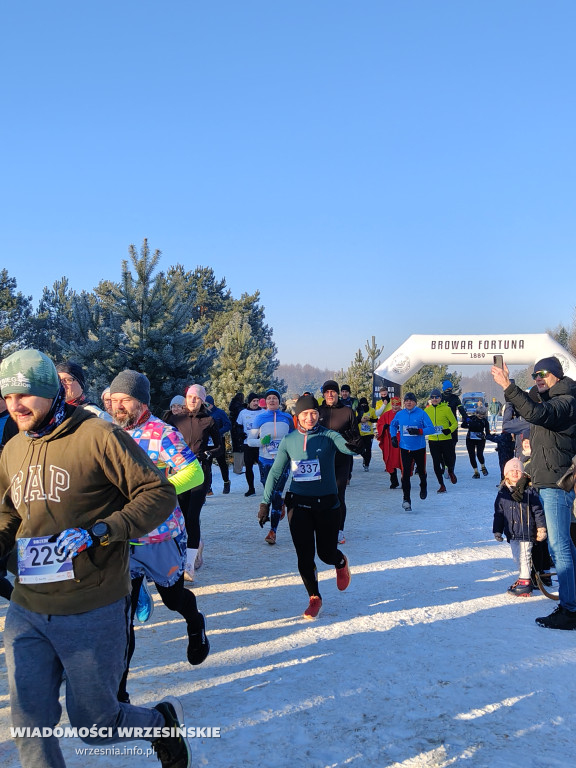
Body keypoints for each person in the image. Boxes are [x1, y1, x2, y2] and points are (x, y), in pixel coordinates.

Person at [0, 349, 192, 767]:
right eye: (8, 397)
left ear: (51, 391)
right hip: (28, 607)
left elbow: (158, 493)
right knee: (28, 724)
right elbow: (9, 515)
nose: (15, 405)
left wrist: (103, 531)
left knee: (96, 726)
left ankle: (160, 723)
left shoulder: (97, 435)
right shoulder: (12, 449)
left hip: (91, 605)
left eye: (25, 395)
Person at [108, 370, 209, 705]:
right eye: (114, 400)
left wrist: (154, 495)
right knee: (121, 621)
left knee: (174, 599)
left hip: (160, 536)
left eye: (126, 400)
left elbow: (193, 473)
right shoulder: (107, 434)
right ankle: (120, 693)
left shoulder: (162, 433)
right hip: (124, 538)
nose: (119, 407)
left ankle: (196, 625)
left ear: (142, 402)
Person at [492, 356, 576, 630]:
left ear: (557, 375)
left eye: (543, 374)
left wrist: (507, 386)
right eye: (535, 375)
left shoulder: (565, 401)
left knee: (559, 546)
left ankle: (570, 609)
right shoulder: (551, 399)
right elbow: (533, 408)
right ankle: (572, 601)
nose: (538, 378)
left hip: (557, 482)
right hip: (547, 478)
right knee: (564, 546)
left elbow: (536, 414)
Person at [259, 395, 353, 618]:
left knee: (326, 553)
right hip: (299, 503)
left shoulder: (328, 435)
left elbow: (345, 447)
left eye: (313, 413)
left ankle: (340, 562)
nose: (310, 417)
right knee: (304, 555)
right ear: (297, 417)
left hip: (327, 504)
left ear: (318, 414)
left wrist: (353, 446)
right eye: (305, 414)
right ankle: (314, 597)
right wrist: (265, 502)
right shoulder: (289, 440)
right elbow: (276, 471)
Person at [169, 384, 223, 580]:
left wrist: (207, 454)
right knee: (181, 517)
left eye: (197, 398)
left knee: (192, 516)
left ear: (202, 401)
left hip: (200, 472)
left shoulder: (209, 420)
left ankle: (189, 565)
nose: (193, 400)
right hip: (180, 472)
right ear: (185, 399)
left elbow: (220, 447)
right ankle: (186, 554)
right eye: (190, 397)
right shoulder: (174, 419)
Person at [493, 458, 547, 597]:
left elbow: (538, 511)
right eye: (512, 470)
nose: (515, 473)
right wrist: (497, 530)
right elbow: (499, 514)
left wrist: (541, 528)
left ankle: (525, 582)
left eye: (518, 471)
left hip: (526, 531)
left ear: (523, 474)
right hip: (512, 532)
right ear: (506, 474)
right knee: (517, 557)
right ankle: (523, 578)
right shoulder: (502, 493)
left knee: (525, 556)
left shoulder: (529, 491)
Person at [317, 380, 361, 544]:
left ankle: (339, 530)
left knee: (338, 495)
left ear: (338, 393)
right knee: (320, 496)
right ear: (323, 394)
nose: (330, 394)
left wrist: (354, 442)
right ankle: (323, 527)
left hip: (341, 460)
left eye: (333, 391)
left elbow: (357, 439)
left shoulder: (347, 412)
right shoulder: (318, 412)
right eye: (327, 392)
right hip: (321, 461)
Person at [248, 388, 294, 544]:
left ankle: (272, 531)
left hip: (283, 461)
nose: (272, 401)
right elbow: (250, 441)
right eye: (269, 399)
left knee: (275, 494)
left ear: (279, 401)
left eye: (275, 398)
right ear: (265, 402)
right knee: (270, 490)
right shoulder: (259, 418)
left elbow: (294, 438)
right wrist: (261, 441)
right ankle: (280, 504)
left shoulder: (287, 418)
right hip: (265, 461)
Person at [390, 392, 436, 511]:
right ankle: (406, 499)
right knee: (405, 474)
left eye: (411, 400)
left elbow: (431, 429)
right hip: (405, 448)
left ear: (415, 402)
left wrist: (419, 432)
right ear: (404, 403)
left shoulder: (421, 413)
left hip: (419, 448)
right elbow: (393, 425)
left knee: (421, 471)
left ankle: (423, 485)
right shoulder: (400, 414)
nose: (408, 402)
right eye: (406, 401)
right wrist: (393, 436)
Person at [424, 388, 457, 493]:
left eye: (436, 397)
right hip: (433, 440)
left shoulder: (446, 409)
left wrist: (449, 430)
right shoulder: (427, 410)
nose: (434, 399)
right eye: (432, 397)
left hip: (446, 439)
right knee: (436, 463)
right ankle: (442, 485)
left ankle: (450, 471)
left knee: (449, 460)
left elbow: (455, 423)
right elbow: (422, 424)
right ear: (430, 399)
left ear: (440, 398)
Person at [205, 394, 232, 494]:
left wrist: (218, 432)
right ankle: (208, 488)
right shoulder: (203, 413)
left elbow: (228, 425)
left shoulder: (220, 413)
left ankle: (226, 482)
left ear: (212, 404)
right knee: (207, 465)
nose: (205, 407)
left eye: (207, 404)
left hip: (218, 441)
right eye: (204, 404)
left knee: (222, 463)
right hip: (207, 442)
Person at [237, 392, 262, 497]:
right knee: (248, 466)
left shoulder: (263, 412)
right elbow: (237, 426)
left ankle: (267, 486)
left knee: (264, 466)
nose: (256, 403)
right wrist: (240, 434)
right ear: (249, 402)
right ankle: (251, 488)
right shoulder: (243, 413)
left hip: (261, 443)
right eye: (253, 401)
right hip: (248, 443)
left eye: (257, 401)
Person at [376, 396, 402, 489]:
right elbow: (380, 424)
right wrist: (384, 427)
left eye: (397, 405)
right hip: (389, 442)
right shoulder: (386, 415)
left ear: (400, 405)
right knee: (389, 460)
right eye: (393, 405)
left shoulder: (404, 414)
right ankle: (394, 480)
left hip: (402, 442)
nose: (395, 407)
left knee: (403, 460)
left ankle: (404, 480)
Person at [461, 404, 492, 478]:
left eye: (483, 415)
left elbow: (487, 432)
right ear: (476, 413)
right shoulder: (472, 418)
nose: (481, 416)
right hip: (470, 439)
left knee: (479, 454)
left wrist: (492, 437)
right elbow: (463, 425)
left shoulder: (485, 421)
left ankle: (483, 467)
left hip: (480, 439)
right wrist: (467, 422)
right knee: (471, 455)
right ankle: (476, 472)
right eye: (480, 414)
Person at [357, 396, 377, 471]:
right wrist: (360, 420)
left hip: (369, 434)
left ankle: (367, 464)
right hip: (359, 433)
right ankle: (365, 457)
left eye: (365, 404)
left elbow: (376, 420)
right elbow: (354, 420)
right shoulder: (357, 410)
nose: (363, 406)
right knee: (359, 448)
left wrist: (369, 419)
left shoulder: (371, 410)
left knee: (368, 449)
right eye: (362, 405)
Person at [229, 391, 246, 475]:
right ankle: (238, 468)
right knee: (240, 449)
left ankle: (237, 468)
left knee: (236, 448)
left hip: (233, 430)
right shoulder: (240, 409)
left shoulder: (233, 407)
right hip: (239, 430)